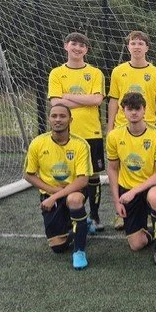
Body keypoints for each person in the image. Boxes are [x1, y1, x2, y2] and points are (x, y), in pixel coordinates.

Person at [107, 31, 156, 230]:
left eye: (141, 43)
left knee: (147, 169)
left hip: (148, 130)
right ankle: (121, 210)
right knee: (123, 170)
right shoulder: (118, 71)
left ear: (147, 47)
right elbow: (113, 101)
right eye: (133, 43)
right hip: (122, 128)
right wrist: (109, 128)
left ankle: (150, 210)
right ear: (128, 47)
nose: (137, 46)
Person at [48, 32, 105, 232]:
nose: (77, 48)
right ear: (66, 46)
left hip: (91, 132)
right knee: (69, 175)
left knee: (93, 175)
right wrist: (84, 99)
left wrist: (67, 97)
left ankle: (95, 217)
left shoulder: (95, 73)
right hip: (66, 134)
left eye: (82, 46)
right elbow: (56, 103)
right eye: (74, 44)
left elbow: (97, 100)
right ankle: (71, 215)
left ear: (86, 50)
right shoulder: (56, 73)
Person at [24, 104, 92, 270]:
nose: (58, 120)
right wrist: (53, 192)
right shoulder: (37, 143)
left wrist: (56, 196)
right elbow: (28, 175)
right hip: (50, 193)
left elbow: (83, 180)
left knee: (74, 199)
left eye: (62, 116)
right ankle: (81, 224)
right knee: (58, 247)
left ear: (70, 120)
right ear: (49, 119)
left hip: (74, 190)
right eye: (54, 116)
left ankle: (79, 251)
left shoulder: (81, 144)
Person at [106, 92, 156, 266]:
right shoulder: (114, 136)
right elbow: (112, 169)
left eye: (137, 108)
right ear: (123, 111)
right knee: (136, 244)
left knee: (155, 197)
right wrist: (117, 202)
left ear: (144, 110)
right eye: (129, 109)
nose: (133, 112)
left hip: (152, 185)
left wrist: (134, 191)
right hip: (127, 189)